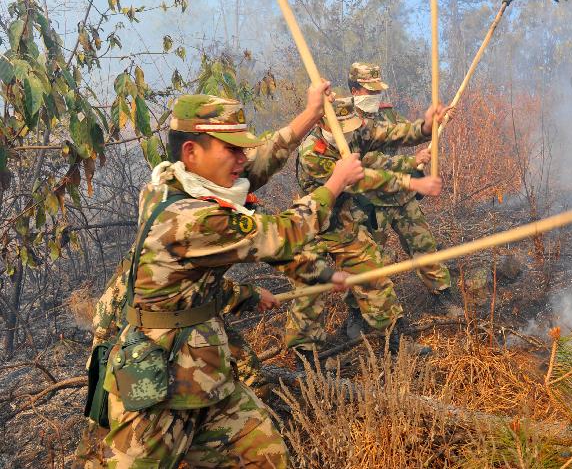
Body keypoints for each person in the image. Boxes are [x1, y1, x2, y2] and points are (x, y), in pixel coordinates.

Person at [98, 84, 364, 468]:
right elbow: (281, 235)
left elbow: (184, 284)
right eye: (231, 149)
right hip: (159, 387)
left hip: (209, 378)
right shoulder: (191, 218)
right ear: (192, 152)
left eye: (243, 148)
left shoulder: (171, 185)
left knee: (267, 457)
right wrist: (335, 184)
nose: (242, 158)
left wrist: (309, 114)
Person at [285, 96, 448, 353]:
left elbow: (392, 133)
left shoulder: (354, 130)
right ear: (325, 125)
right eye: (344, 128)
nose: (352, 133)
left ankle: (395, 342)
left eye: (352, 126)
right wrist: (411, 183)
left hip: (342, 224)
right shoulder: (312, 154)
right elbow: (361, 180)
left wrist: (425, 127)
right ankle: (304, 361)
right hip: (313, 224)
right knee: (309, 291)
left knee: (374, 275)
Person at [349, 62, 452, 300]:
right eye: (369, 90)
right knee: (365, 263)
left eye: (377, 90)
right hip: (370, 202)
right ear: (354, 90)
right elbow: (364, 160)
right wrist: (409, 162)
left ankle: (443, 294)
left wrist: (432, 123)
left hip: (402, 195)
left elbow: (408, 132)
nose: (375, 95)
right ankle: (361, 312)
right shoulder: (345, 121)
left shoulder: (386, 113)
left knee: (424, 246)